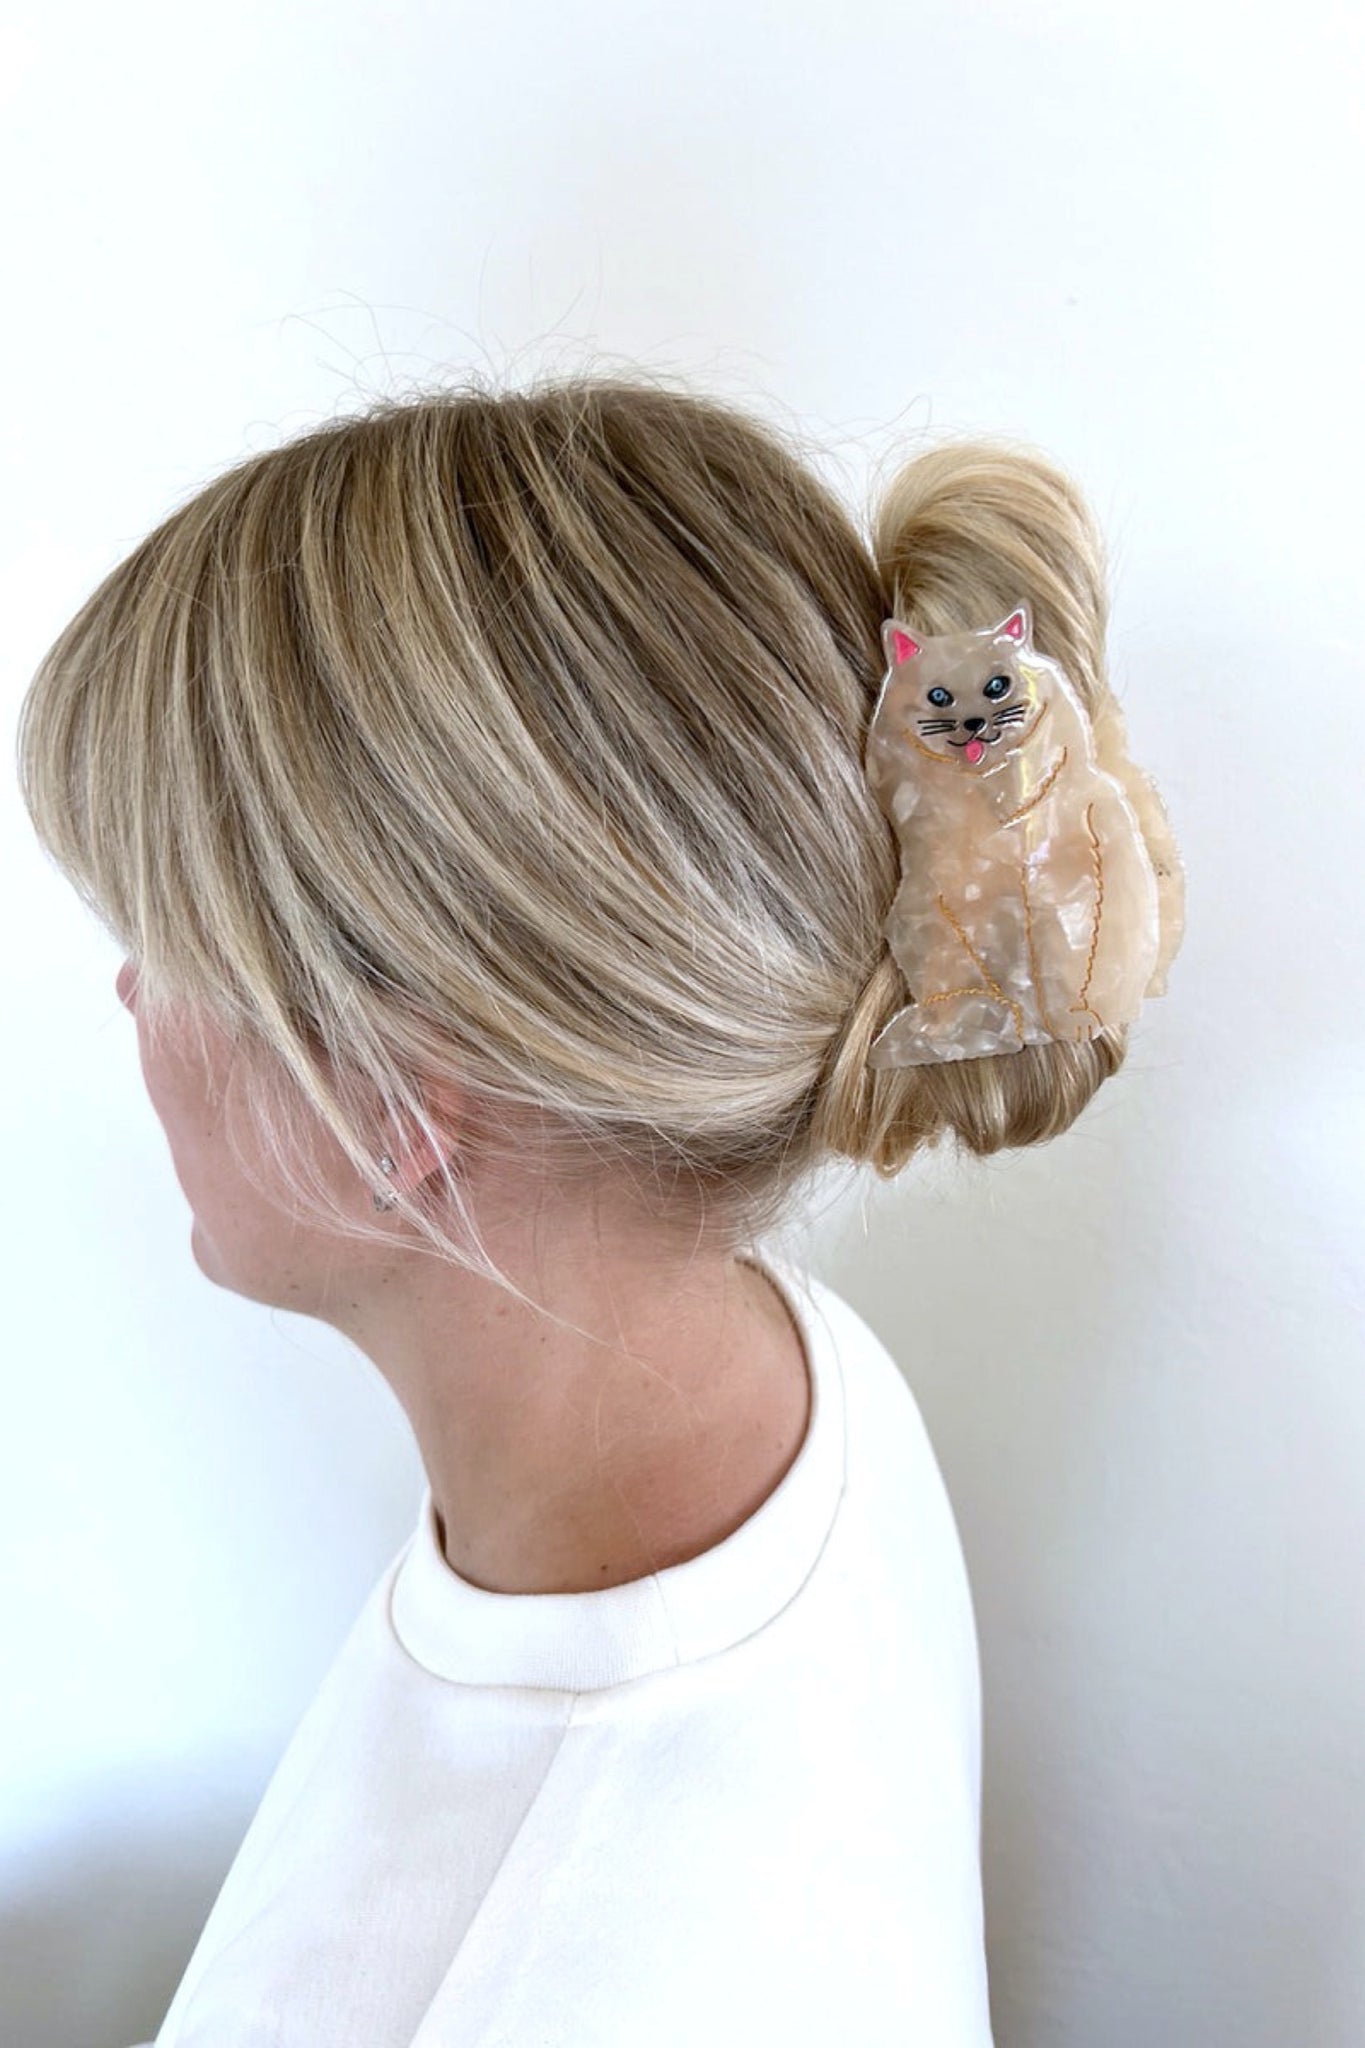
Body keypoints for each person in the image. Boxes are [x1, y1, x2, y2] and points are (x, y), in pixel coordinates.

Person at [16, 372, 1180, 2045]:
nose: (128, 994)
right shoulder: (779, 1380)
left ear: (393, 1100)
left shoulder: (554, 1976)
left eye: (165, 933)